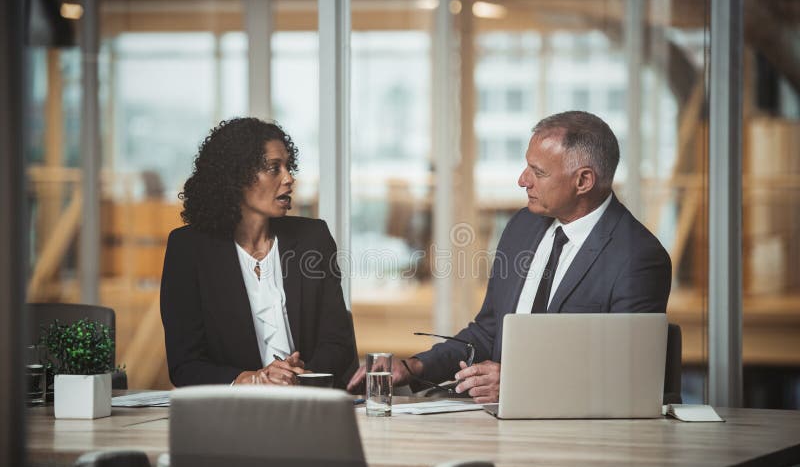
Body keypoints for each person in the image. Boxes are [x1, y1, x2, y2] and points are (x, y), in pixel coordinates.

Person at [348, 110, 671, 402]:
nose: (522, 180)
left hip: (580, 433)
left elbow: (627, 374)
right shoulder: (524, 225)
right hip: (495, 419)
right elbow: (489, 332)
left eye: (538, 172)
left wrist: (522, 382)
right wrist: (414, 365)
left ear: (583, 180)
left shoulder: (638, 258)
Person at [161, 117, 357, 388]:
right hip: (231, 415)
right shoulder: (189, 250)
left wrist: (298, 374)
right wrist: (250, 380)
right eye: (274, 168)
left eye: (288, 167)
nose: (289, 178)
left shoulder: (314, 238)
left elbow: (338, 342)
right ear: (236, 176)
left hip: (309, 406)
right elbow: (186, 365)